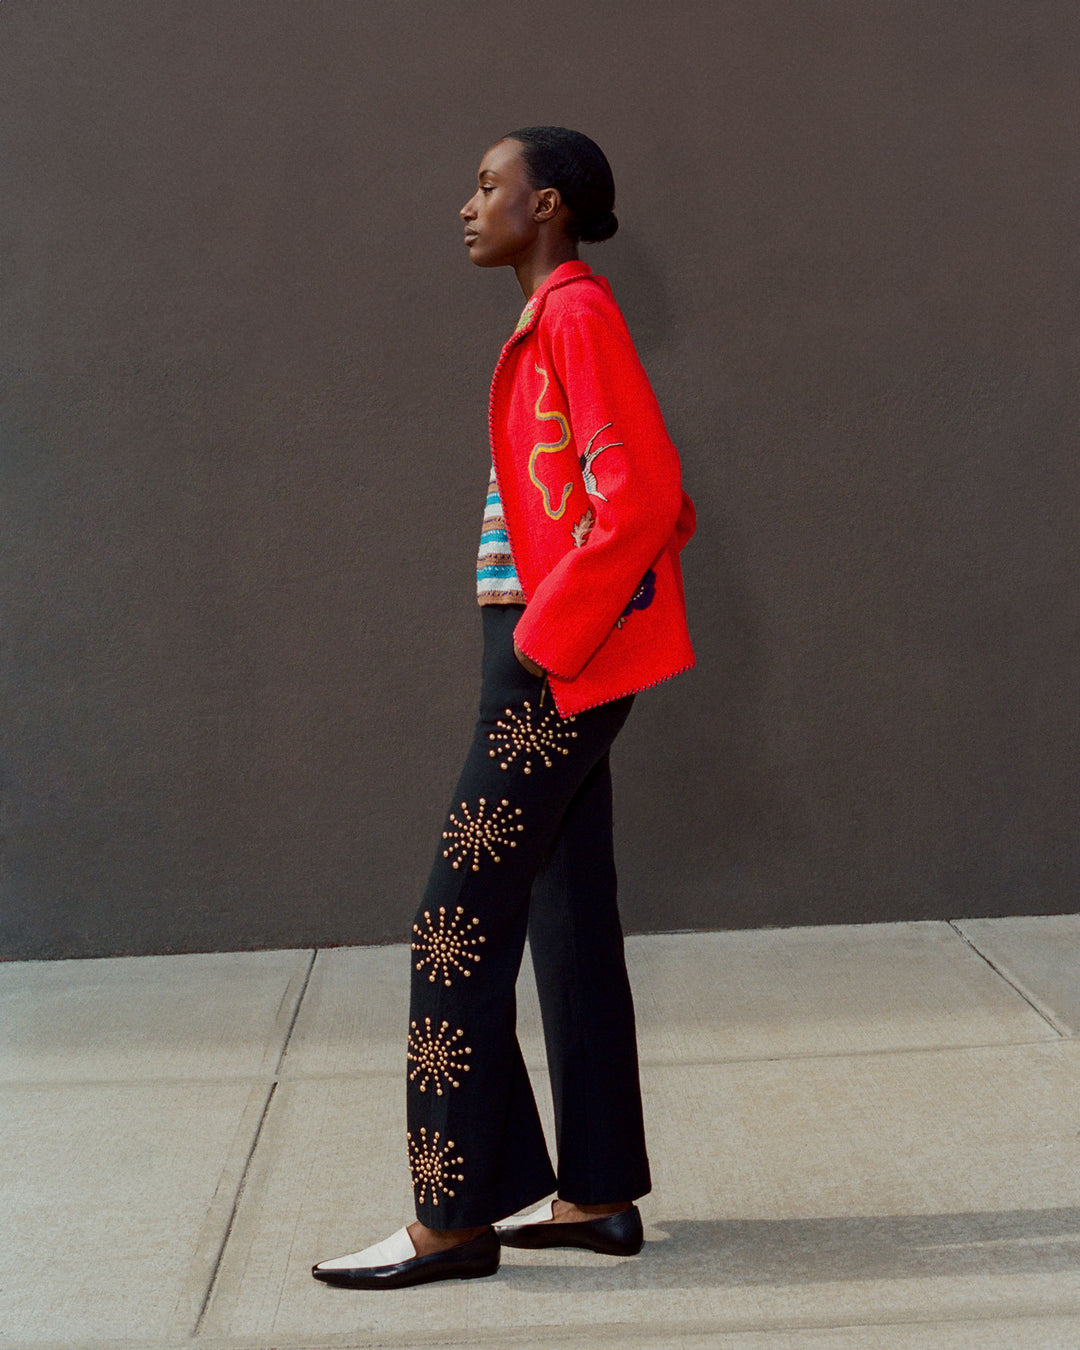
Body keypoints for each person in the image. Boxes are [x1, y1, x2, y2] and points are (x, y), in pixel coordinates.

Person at [312, 126, 695, 1291]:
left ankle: (453, 1216)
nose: (468, 204)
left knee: (451, 928)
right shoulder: (553, 317)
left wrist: (538, 641)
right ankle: (595, 1193)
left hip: (550, 664)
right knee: (568, 915)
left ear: (553, 205)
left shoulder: (574, 313)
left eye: (490, 186)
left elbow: (644, 499)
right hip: (550, 651)